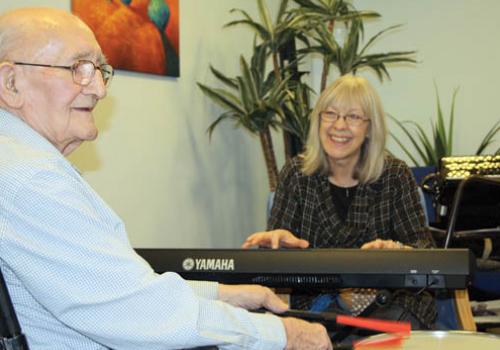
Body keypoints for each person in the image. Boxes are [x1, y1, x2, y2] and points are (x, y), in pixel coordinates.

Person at [0, 7, 332, 350]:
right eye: (78, 68)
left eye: (99, 70)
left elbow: (118, 288)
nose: (99, 88)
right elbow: (134, 312)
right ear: (11, 84)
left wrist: (222, 294)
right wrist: (284, 335)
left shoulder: (17, 166)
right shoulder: (31, 180)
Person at [242, 75, 437, 330]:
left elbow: (426, 253)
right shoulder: (296, 175)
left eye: (353, 117)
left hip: (387, 306)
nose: (339, 125)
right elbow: (275, 268)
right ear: (318, 121)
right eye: (331, 114)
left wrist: (398, 250)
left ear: (369, 127)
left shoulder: (395, 175)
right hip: (317, 310)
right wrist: (276, 243)